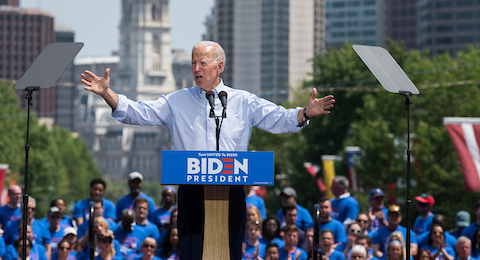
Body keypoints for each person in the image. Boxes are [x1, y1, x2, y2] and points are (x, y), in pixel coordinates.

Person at [82, 40, 335, 260]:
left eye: (202, 63)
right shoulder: (176, 101)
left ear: (219, 66)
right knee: (192, 252)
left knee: (230, 251)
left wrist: (304, 113)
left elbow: (279, 118)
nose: (196, 69)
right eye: (193, 63)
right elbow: (139, 113)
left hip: (232, 189)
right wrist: (108, 94)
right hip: (191, 191)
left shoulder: (242, 101)